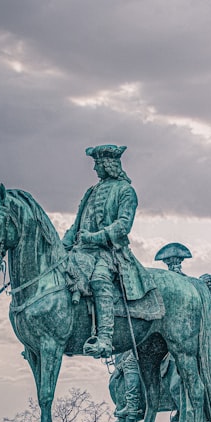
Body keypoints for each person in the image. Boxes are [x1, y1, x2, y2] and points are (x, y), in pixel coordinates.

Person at [63, 145, 152, 358]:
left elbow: (123, 225)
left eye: (97, 164)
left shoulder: (125, 191)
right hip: (82, 251)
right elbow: (76, 226)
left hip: (110, 253)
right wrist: (60, 248)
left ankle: (104, 338)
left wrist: (95, 237)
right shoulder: (91, 192)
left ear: (108, 164)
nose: (94, 168)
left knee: (99, 280)